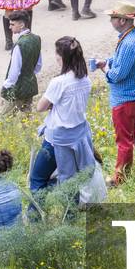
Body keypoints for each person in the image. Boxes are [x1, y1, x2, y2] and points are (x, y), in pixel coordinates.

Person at [95, 5, 135, 186]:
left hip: (125, 99)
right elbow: (121, 61)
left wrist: (105, 69)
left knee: (124, 140)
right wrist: (109, 61)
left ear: (122, 20)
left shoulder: (128, 43)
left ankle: (120, 178)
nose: (110, 20)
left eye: (112, 17)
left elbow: (118, 75)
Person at [31, 37, 94, 192]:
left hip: (57, 139)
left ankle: (35, 215)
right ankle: (71, 214)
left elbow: (40, 107)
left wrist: (54, 102)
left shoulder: (59, 82)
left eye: (56, 53)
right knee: (73, 179)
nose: (55, 57)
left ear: (62, 57)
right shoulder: (85, 79)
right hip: (79, 135)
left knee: (37, 178)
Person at [0, 10, 42, 112]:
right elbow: (38, 64)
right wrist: (29, 75)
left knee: (5, 118)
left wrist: (6, 86)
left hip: (18, 87)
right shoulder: (36, 38)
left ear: (22, 24)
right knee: (26, 116)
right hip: (31, 83)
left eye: (12, 24)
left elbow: (14, 70)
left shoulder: (19, 45)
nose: (10, 27)